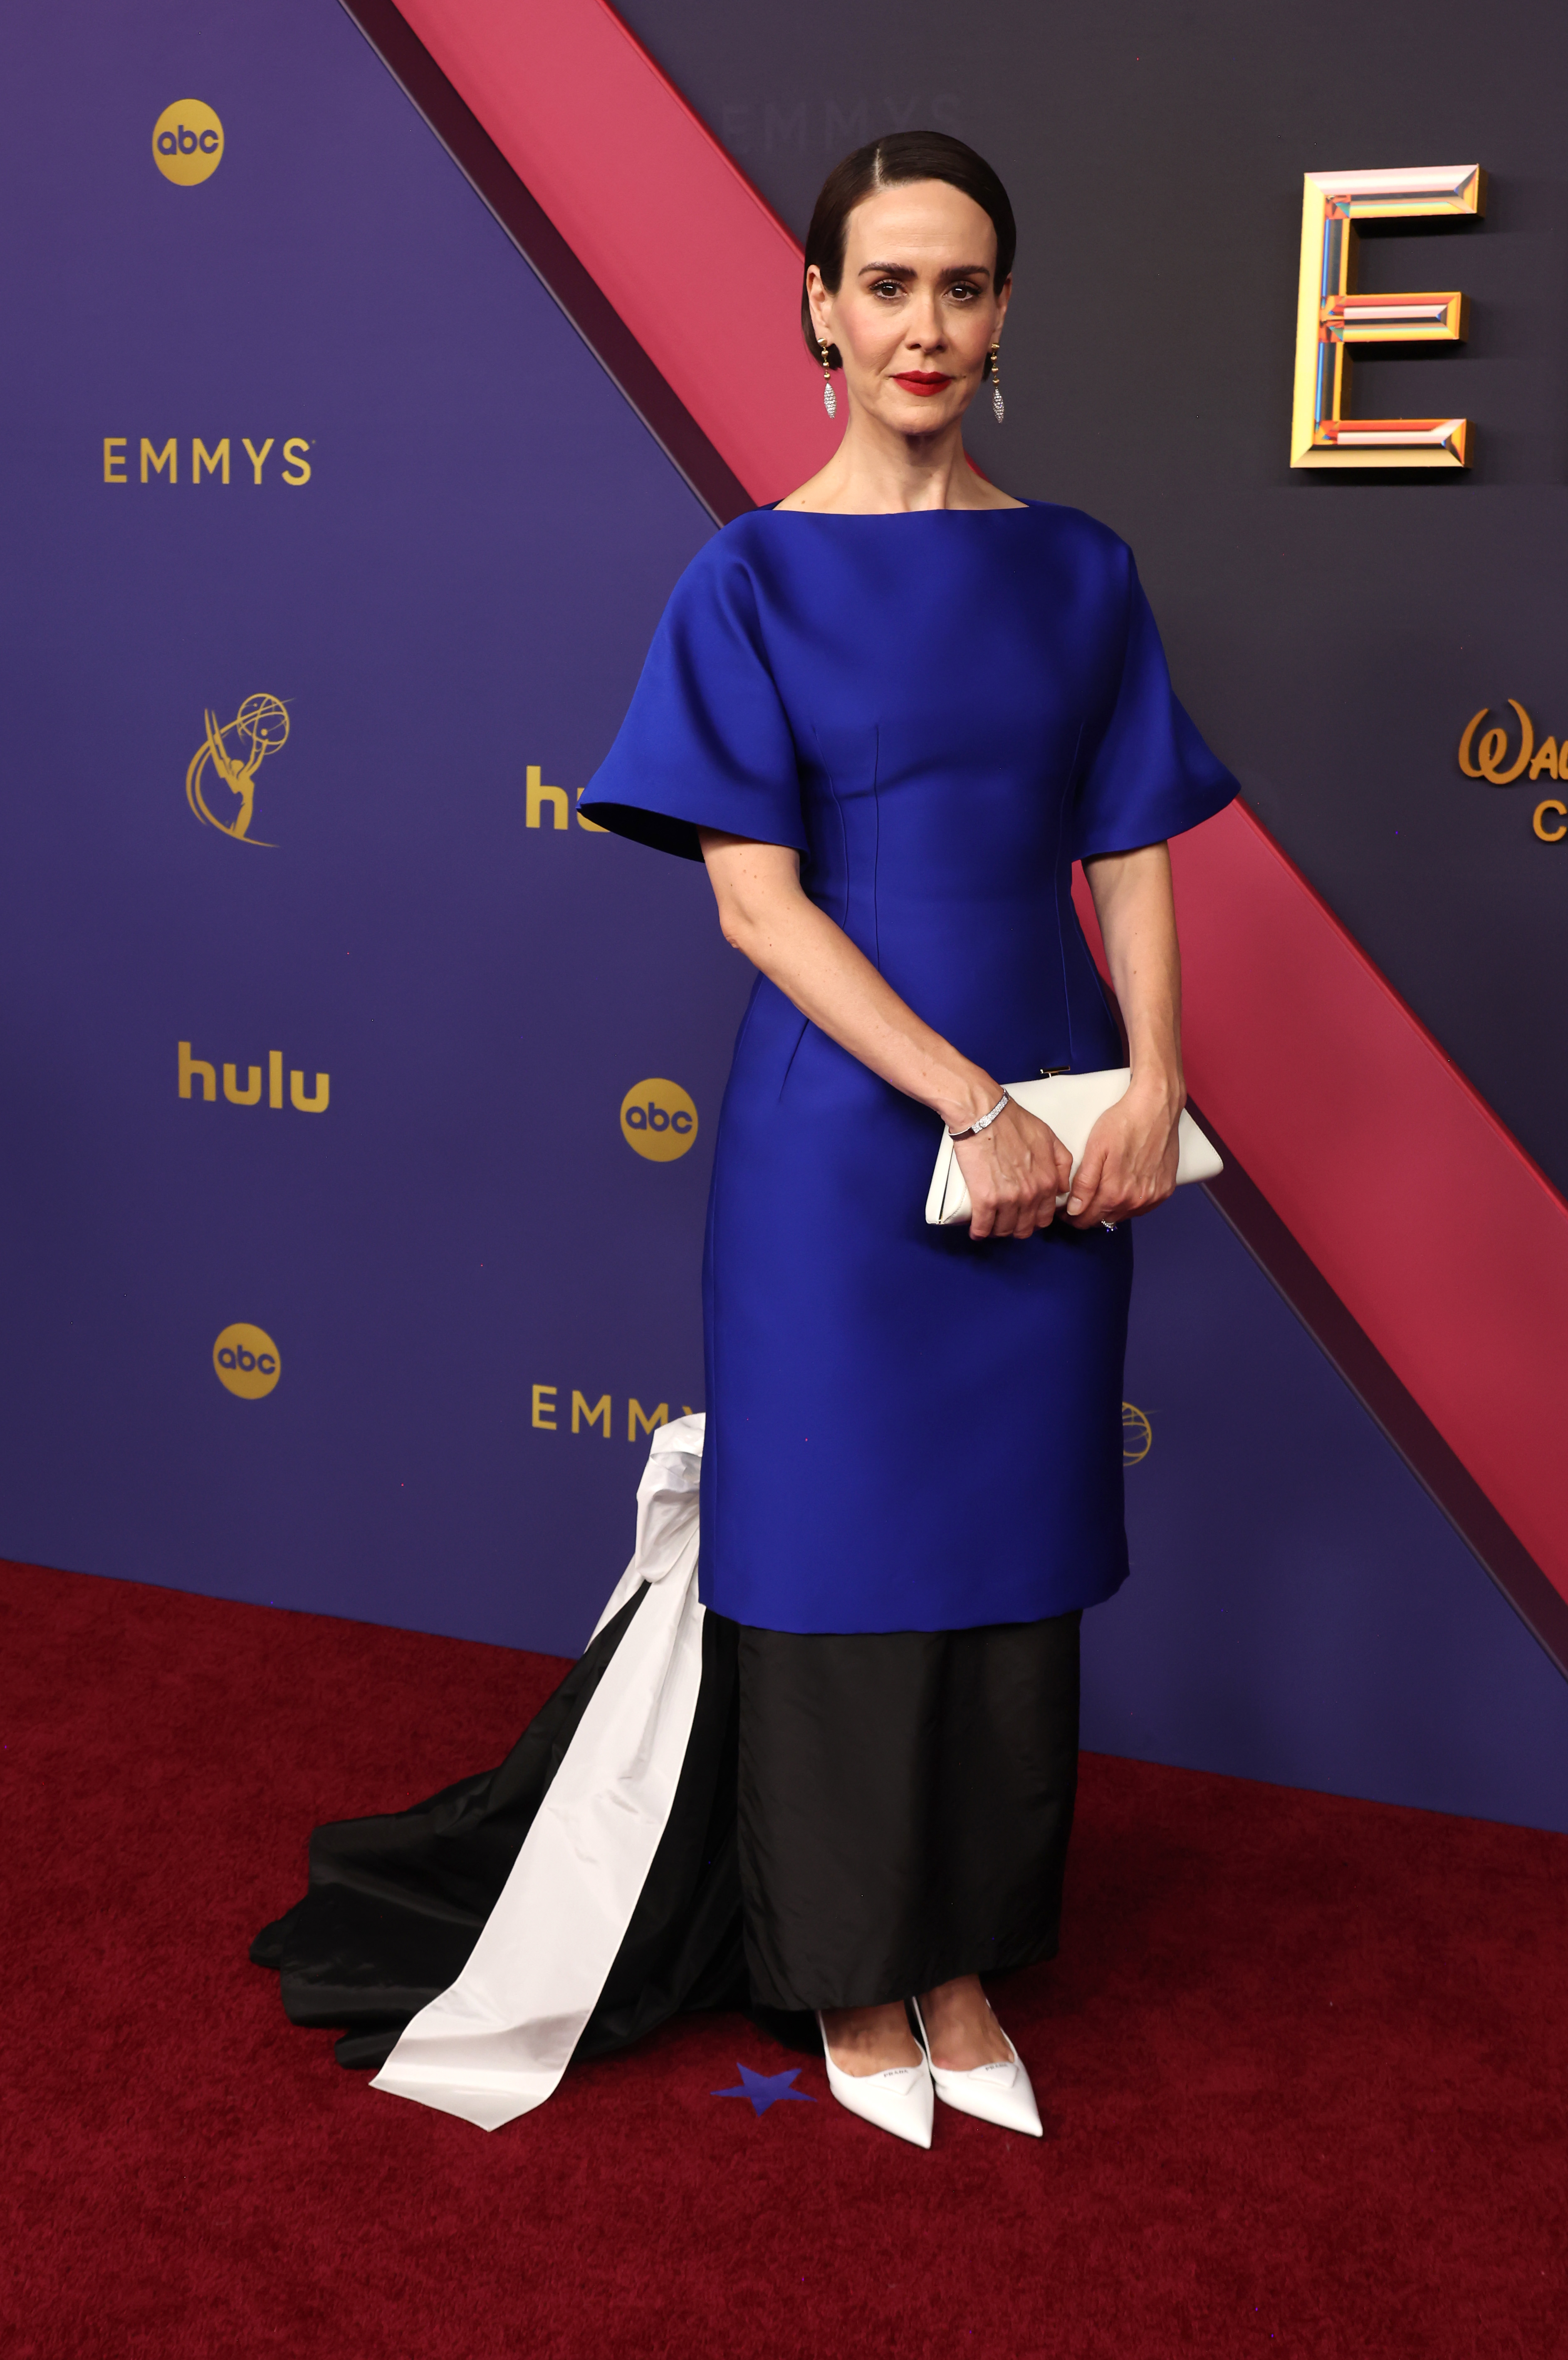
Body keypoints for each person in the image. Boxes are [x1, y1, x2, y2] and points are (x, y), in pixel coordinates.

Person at [253, 129, 1236, 2150]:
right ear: (818, 304)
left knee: (1011, 1552)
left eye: (962, 288)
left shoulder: (1081, 567)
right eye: (888, 286)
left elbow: (1126, 844)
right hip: (852, 1139)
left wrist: (1148, 1082)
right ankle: (849, 1974)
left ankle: (965, 1956)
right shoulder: (753, 574)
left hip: (1063, 1120)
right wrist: (966, 1103)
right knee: (840, 1553)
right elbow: (756, 904)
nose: (925, 327)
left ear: (1002, 311)